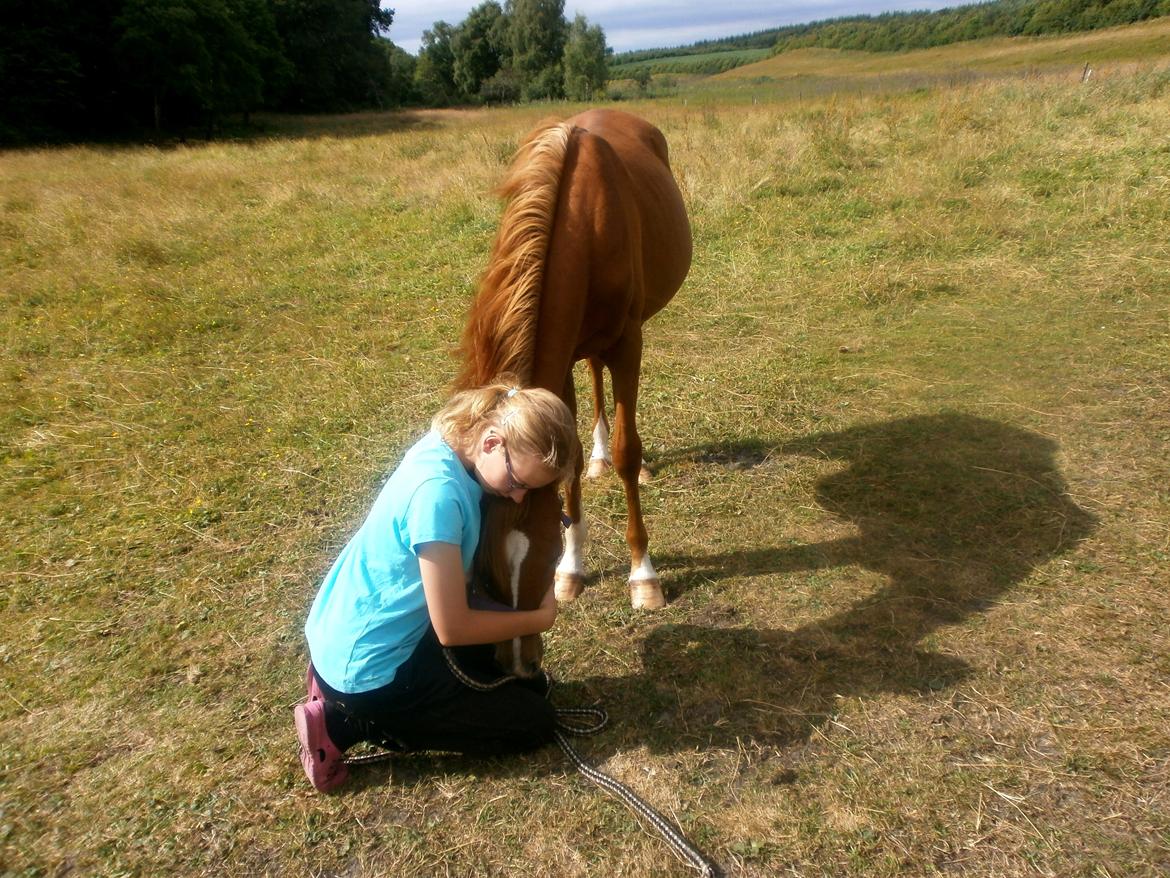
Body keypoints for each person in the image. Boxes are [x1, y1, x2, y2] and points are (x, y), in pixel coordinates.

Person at [295, 380, 577, 792]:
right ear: (492, 442)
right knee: (534, 723)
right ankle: (341, 725)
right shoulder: (439, 497)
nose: (517, 498)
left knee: (530, 688)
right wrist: (537, 618)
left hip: (343, 632)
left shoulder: (442, 447)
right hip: (371, 672)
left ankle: (337, 688)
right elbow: (452, 628)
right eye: (518, 482)